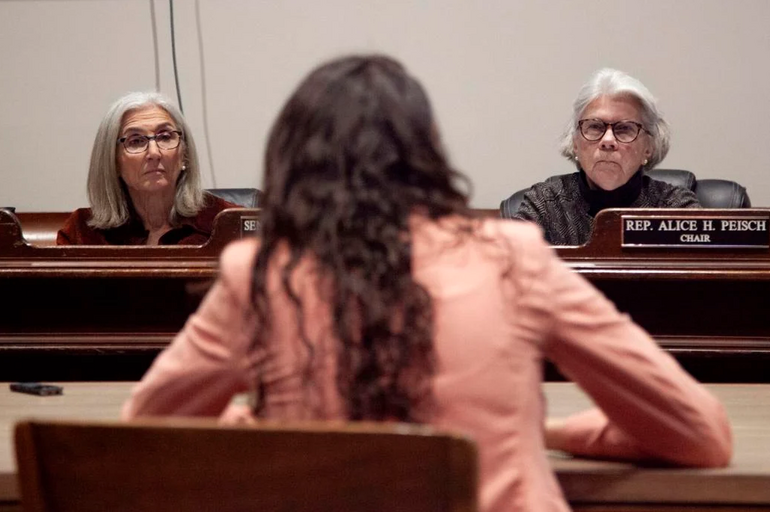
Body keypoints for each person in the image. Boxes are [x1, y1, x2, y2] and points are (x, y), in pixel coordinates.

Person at [122, 56, 731, 512]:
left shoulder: (258, 276)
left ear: (290, 164)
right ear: (428, 156)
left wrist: (256, 421)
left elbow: (138, 435)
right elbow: (700, 435)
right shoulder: (515, 255)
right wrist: (545, 428)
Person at [503, 68, 699, 246]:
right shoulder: (545, 204)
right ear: (575, 143)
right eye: (595, 127)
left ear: (648, 147)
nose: (608, 141)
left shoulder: (675, 207)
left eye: (624, 129)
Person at [57, 92, 236, 245]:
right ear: (112, 162)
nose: (154, 152)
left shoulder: (228, 224)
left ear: (185, 155)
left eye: (165, 137)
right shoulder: (83, 233)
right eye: (135, 141)